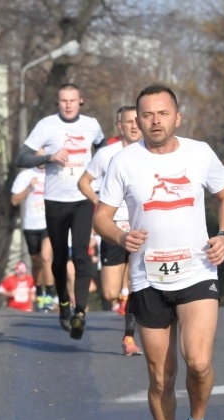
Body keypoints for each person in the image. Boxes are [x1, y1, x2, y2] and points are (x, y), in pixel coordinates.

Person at [94, 83, 224, 420]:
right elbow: (101, 217)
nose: (154, 120)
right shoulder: (123, 162)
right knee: (160, 377)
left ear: (177, 117)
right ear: (136, 121)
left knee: (198, 361)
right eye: (147, 114)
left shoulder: (199, 153)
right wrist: (121, 238)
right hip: (148, 278)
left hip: (197, 270)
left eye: (162, 113)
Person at [15, 83, 105, 340]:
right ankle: (63, 303)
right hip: (54, 200)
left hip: (82, 198)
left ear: (81, 101)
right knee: (57, 260)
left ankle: (80, 312)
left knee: (81, 256)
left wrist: (100, 180)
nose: (68, 105)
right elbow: (21, 158)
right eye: (63, 100)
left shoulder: (92, 125)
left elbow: (105, 152)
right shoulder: (46, 126)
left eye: (72, 100)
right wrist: (49, 158)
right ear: (58, 103)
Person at [78, 105, 144, 356]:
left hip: (142, 228)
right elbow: (83, 182)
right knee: (110, 291)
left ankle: (129, 338)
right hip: (114, 230)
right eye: (129, 122)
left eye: (137, 121)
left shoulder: (151, 153)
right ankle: (125, 300)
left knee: (136, 284)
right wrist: (101, 205)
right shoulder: (106, 154)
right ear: (120, 126)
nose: (135, 126)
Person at [11, 150, 56, 312]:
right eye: (39, 156)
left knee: (46, 257)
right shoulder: (25, 176)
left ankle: (49, 296)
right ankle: (39, 293)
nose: (42, 159)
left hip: (49, 223)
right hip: (31, 225)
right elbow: (14, 200)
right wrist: (29, 187)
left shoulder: (55, 173)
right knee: (36, 262)